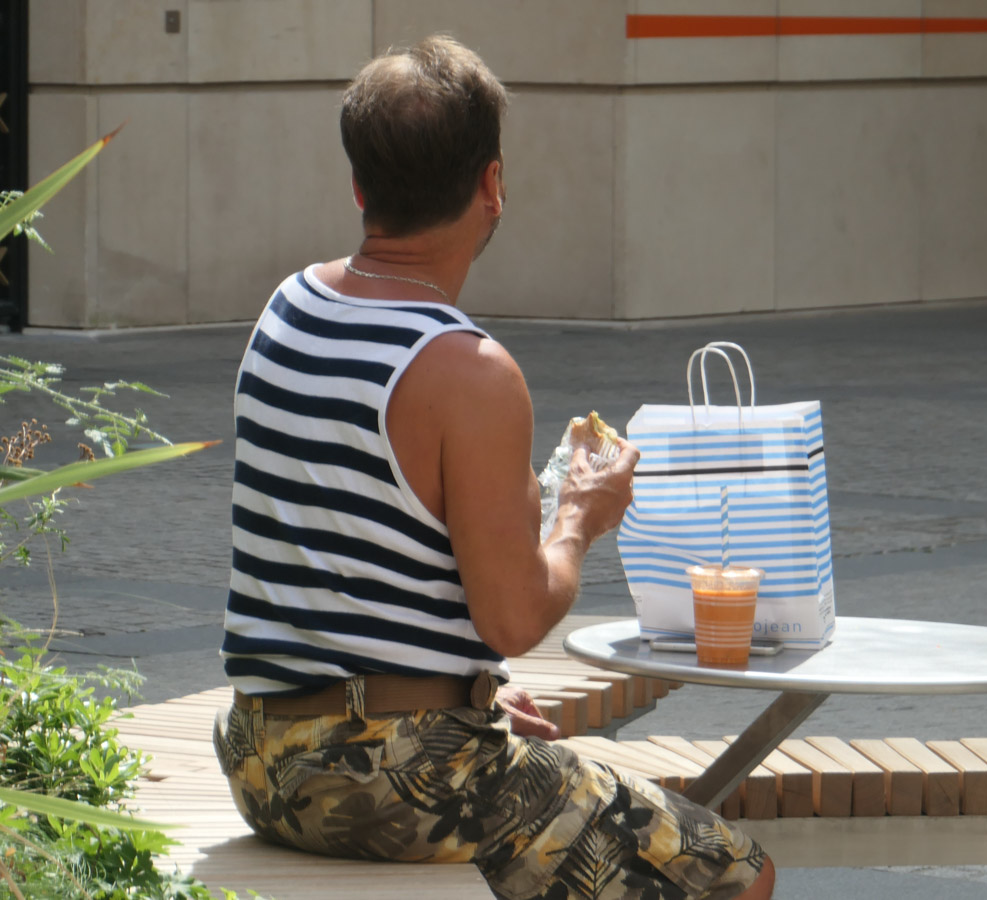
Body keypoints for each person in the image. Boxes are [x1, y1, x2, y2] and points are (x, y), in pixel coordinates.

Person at [212, 35, 775, 900]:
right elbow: (513, 618)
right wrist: (580, 513)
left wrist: (457, 695)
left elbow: (342, 569)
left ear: (360, 187)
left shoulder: (287, 306)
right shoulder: (467, 370)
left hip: (262, 761)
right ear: (492, 184)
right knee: (740, 874)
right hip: (393, 776)